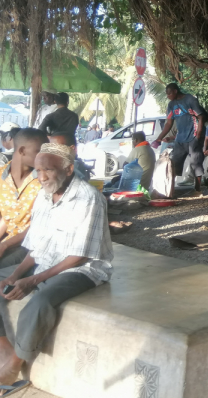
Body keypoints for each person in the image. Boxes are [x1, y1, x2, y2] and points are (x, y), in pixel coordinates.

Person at [0, 143, 112, 388]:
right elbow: (37, 246)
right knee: (2, 284)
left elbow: (79, 256)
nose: (41, 177)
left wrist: (33, 280)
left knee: (40, 302)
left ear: (68, 169)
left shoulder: (88, 198)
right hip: (46, 261)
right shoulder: (43, 194)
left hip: (81, 268)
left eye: (48, 171)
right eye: (38, 170)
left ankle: (16, 363)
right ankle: (6, 351)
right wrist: (16, 275)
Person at [0, 129, 48, 270]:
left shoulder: (44, 180)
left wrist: (4, 245)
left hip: (31, 244)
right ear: (22, 150)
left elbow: (40, 227)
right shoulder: (1, 176)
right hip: (8, 241)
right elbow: (5, 219)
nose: (43, 157)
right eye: (39, 152)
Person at [152, 83, 208, 195]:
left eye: (169, 93)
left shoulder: (190, 99)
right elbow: (168, 123)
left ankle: (197, 189)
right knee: (174, 163)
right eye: (166, 94)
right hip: (180, 138)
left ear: (175, 91)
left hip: (194, 136)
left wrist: (198, 136)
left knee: (195, 162)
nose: (168, 96)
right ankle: (170, 190)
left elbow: (201, 117)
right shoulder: (171, 105)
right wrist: (159, 139)